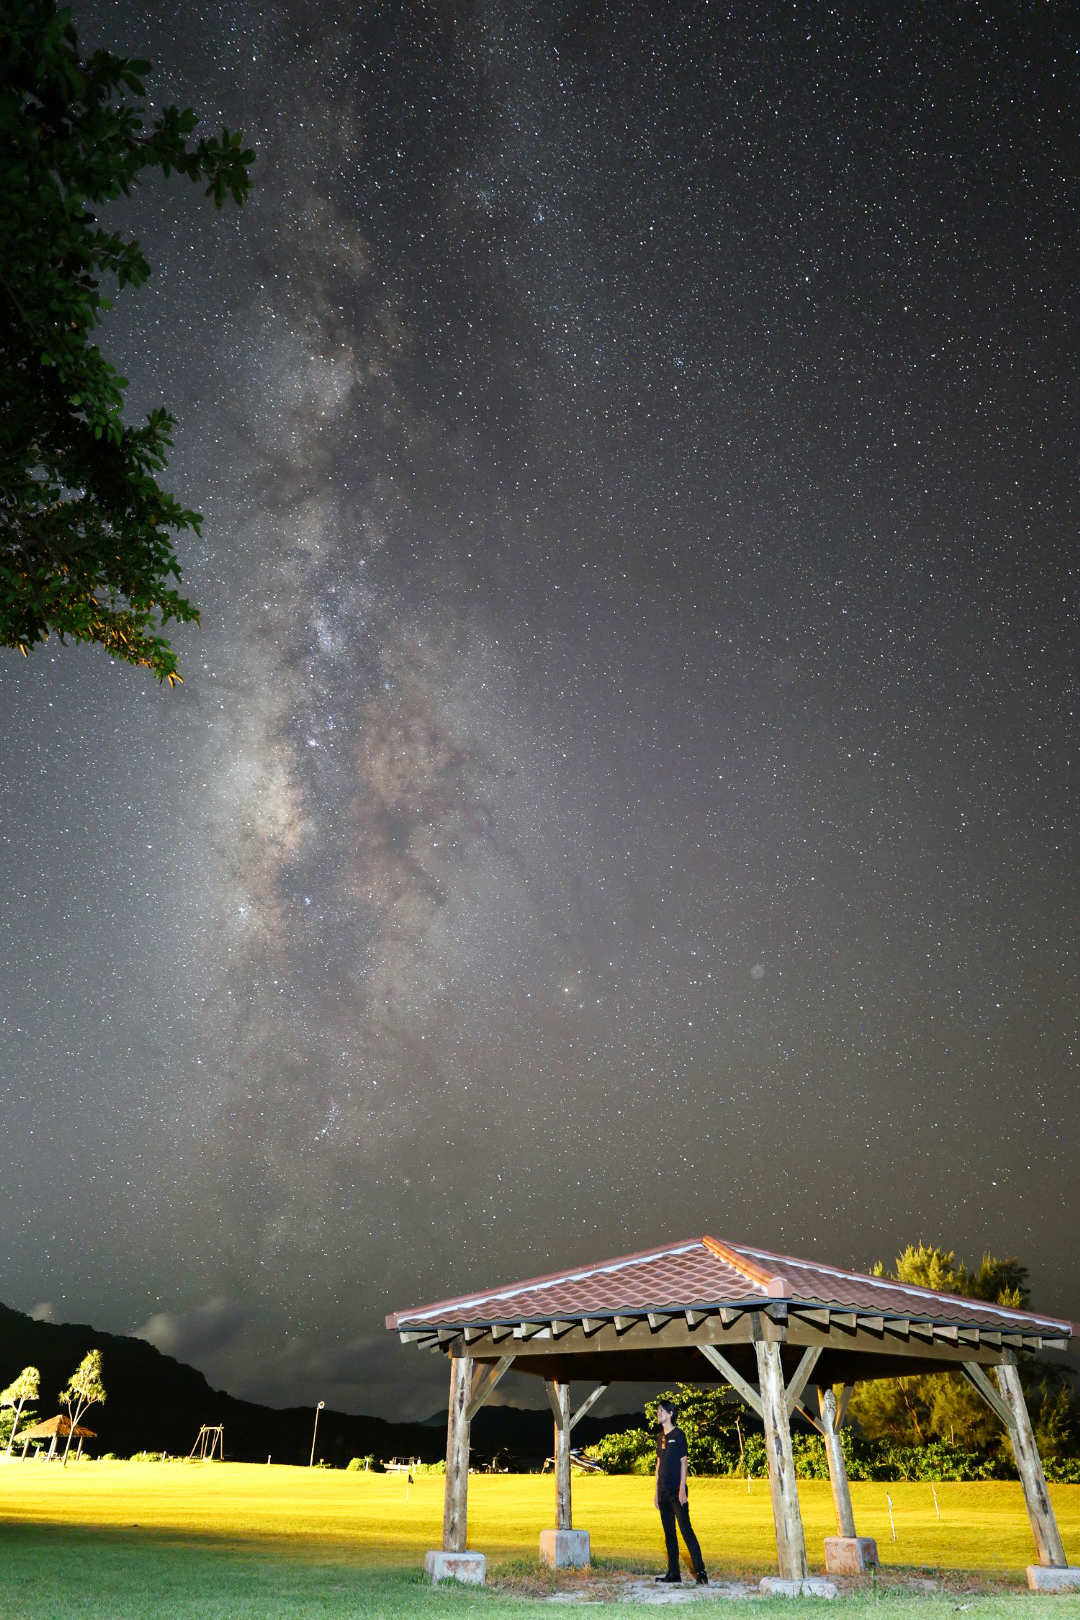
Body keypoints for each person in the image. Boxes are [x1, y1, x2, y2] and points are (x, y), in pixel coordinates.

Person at [653, 1397, 708, 1585]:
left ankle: (701, 1572)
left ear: (670, 1414)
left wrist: (682, 1489)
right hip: (663, 1493)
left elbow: (683, 1462)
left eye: (662, 1410)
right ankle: (673, 1573)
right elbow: (658, 1465)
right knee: (669, 1534)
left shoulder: (679, 1435)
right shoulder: (660, 1437)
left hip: (677, 1493)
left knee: (686, 1531)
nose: (658, 1413)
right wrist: (655, 1492)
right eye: (658, 1410)